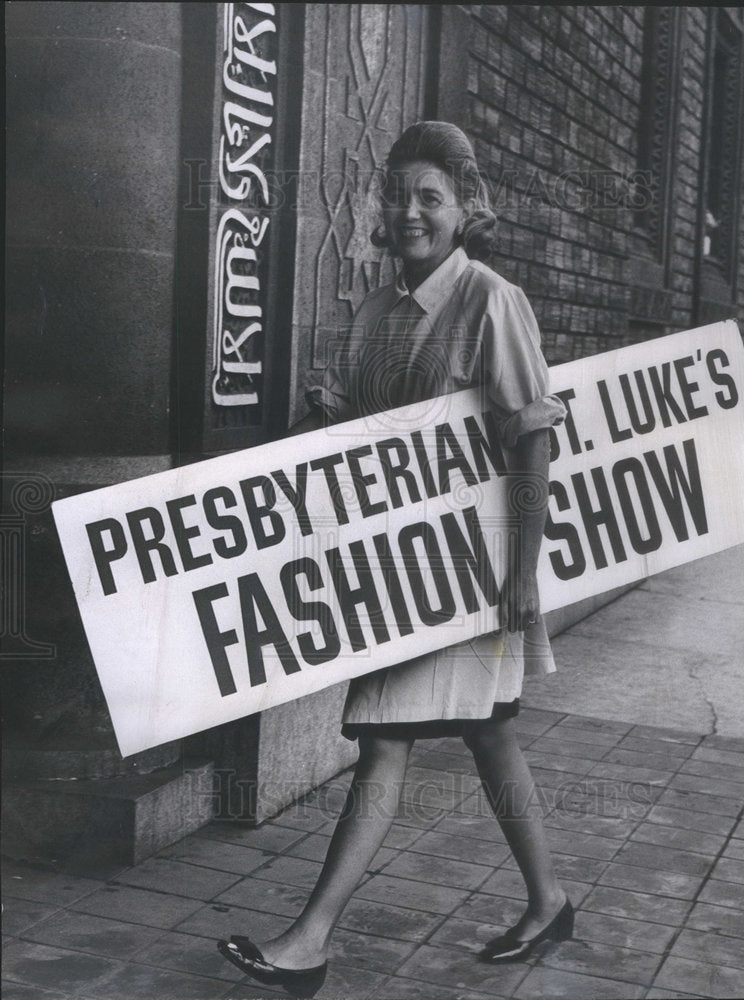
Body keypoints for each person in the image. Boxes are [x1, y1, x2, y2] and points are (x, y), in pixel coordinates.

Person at [218, 120, 572, 994]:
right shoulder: (374, 313)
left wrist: (521, 575)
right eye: (399, 194)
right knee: (488, 732)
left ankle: (309, 942)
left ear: (464, 210)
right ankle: (550, 900)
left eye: (431, 198)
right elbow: (355, 444)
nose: (411, 212)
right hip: (391, 577)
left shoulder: (492, 301)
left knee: (382, 740)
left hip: (470, 569)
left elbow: (531, 441)